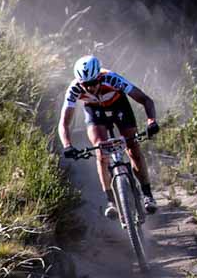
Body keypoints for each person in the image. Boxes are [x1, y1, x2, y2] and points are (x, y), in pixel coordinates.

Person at [59, 54, 161, 218]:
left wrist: (151, 122)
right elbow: (64, 123)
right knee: (101, 151)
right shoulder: (74, 89)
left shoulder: (111, 78)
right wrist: (67, 145)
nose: (90, 88)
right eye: (86, 85)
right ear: (79, 82)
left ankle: (147, 194)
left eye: (93, 83)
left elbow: (145, 99)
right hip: (94, 110)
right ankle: (111, 201)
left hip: (119, 105)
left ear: (99, 77)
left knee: (133, 147)